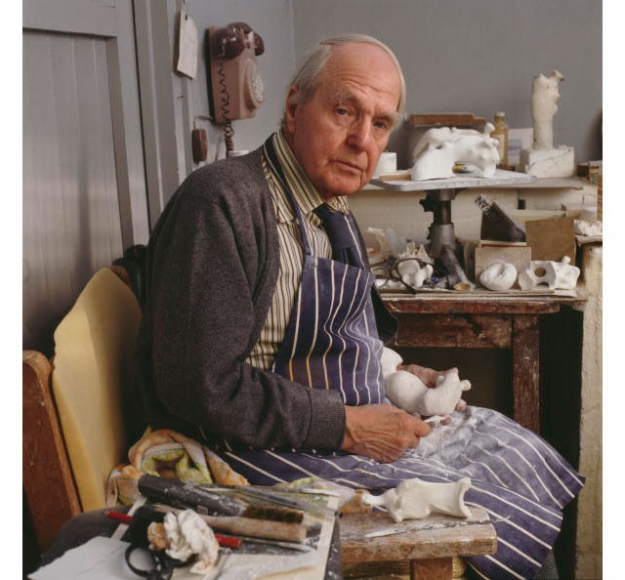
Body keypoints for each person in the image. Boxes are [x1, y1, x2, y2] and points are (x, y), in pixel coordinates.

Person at [134, 34, 583, 580]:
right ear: (294, 108)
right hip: (258, 448)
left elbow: (335, 338)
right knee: (502, 524)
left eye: (380, 123)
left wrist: (392, 372)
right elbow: (201, 386)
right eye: (344, 111)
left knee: (519, 452)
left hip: (335, 420)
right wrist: (349, 426)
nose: (361, 141)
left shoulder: (331, 202)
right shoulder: (222, 202)